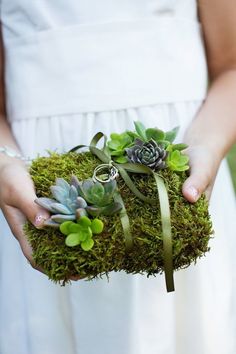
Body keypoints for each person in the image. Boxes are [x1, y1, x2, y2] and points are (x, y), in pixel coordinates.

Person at [0, 0, 236, 353]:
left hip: (175, 183)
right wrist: (4, 165)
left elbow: (231, 66)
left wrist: (207, 145)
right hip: (35, 190)